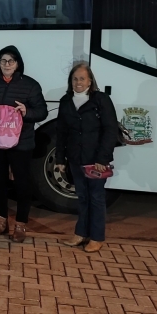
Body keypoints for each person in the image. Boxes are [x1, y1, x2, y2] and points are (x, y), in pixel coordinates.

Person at [0, 45, 48, 243]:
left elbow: (42, 111)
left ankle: (21, 224)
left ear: (18, 64)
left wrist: (27, 112)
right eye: (3, 61)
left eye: (11, 61)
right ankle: (1, 221)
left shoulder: (30, 85)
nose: (7, 64)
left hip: (21, 143)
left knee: (23, 184)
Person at [55, 63, 119, 253]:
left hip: (96, 160)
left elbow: (110, 130)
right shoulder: (65, 102)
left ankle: (97, 237)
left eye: (82, 78)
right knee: (82, 197)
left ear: (90, 81)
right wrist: (60, 159)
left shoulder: (101, 100)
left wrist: (103, 159)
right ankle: (81, 233)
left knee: (96, 197)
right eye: (75, 79)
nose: (78, 82)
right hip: (75, 158)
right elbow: (61, 133)